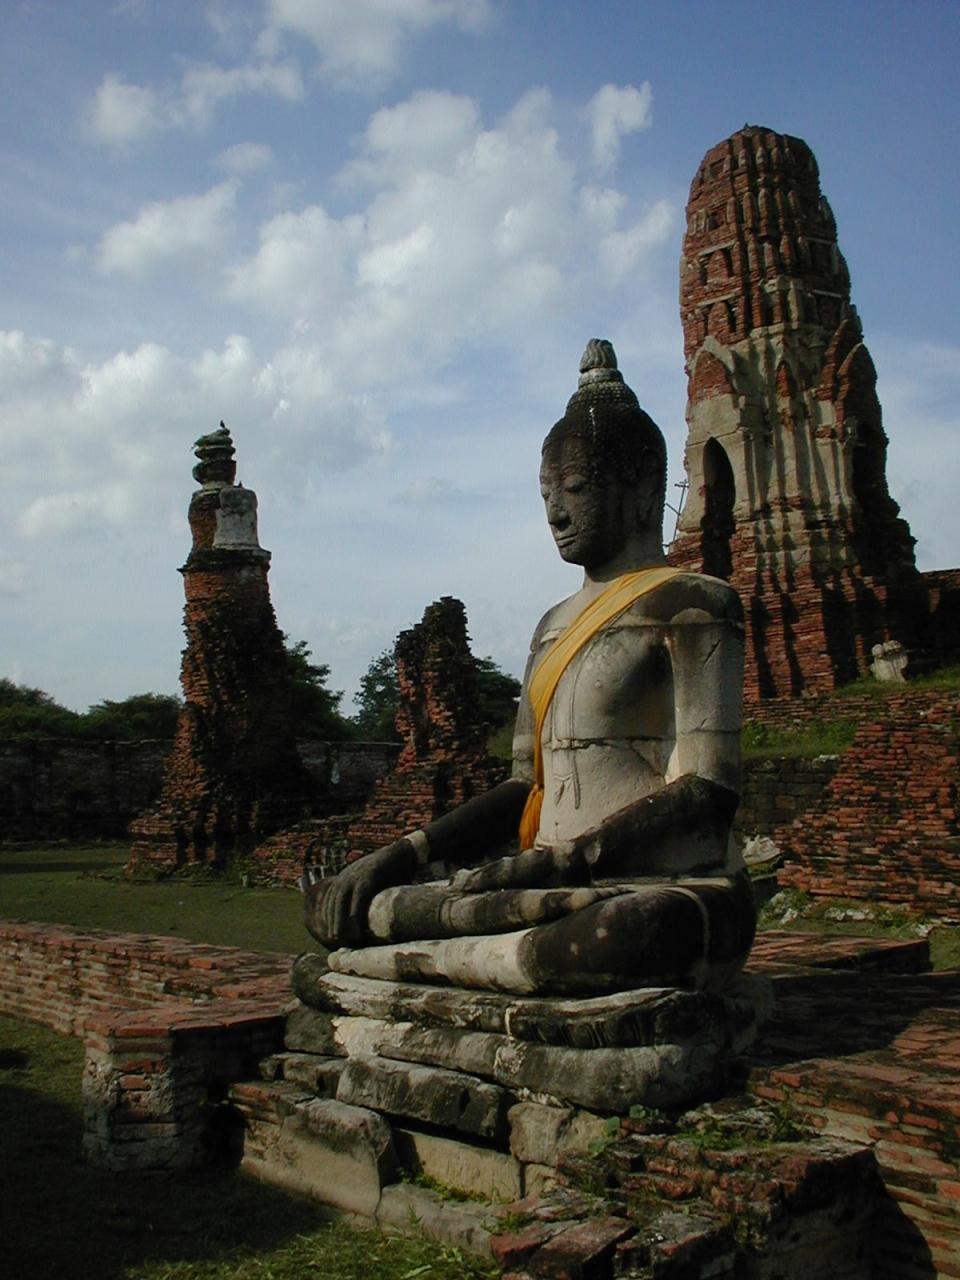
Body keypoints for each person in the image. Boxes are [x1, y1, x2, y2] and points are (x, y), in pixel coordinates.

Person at [303, 340, 755, 994]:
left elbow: (709, 787)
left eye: (575, 489)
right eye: (546, 493)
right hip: (542, 887)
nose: (556, 512)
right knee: (347, 904)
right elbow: (524, 787)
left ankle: (386, 969)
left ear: (640, 490)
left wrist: (567, 861)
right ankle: (448, 958)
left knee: (634, 929)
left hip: (653, 887)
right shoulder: (552, 626)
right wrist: (400, 855)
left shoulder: (694, 604)